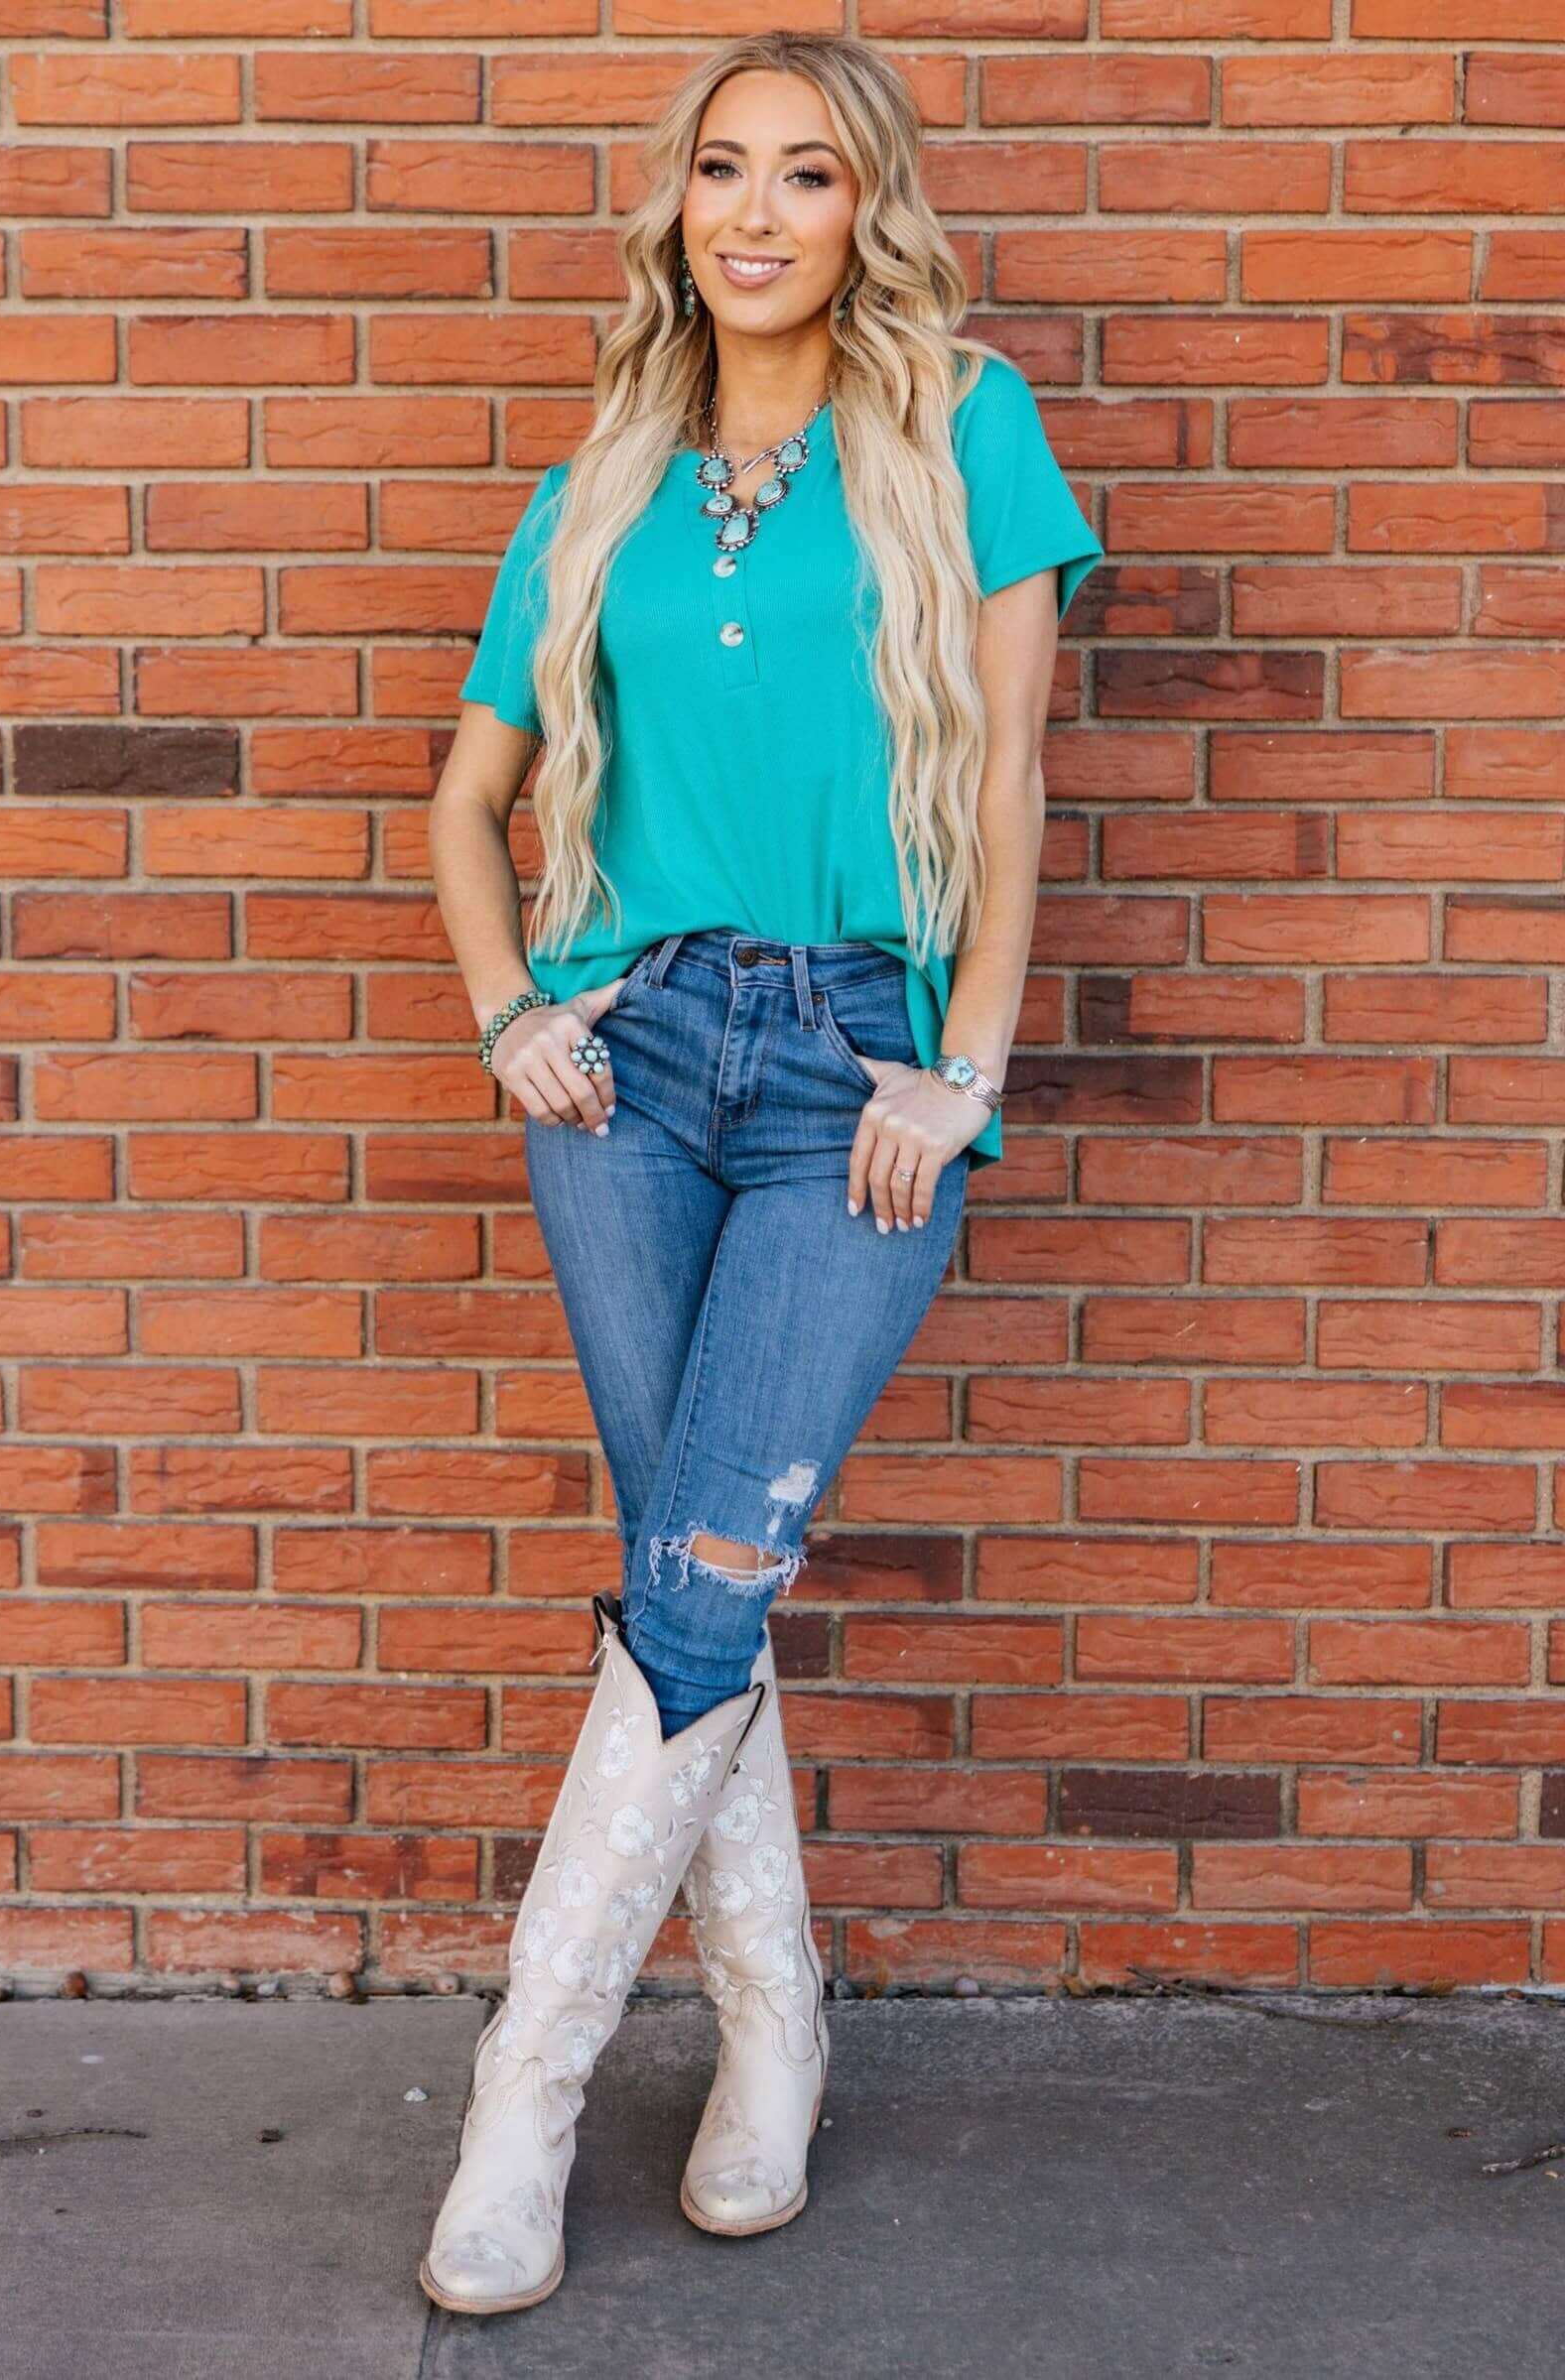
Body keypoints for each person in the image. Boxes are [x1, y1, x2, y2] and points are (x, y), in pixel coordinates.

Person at [417, 27, 1105, 2317]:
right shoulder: (600, 474)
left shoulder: (956, 425)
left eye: (807, 178)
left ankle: (524, 2084)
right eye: (721, 169)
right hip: (631, 1072)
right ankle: (772, 2039)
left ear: (861, 215)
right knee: (683, 1561)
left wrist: (963, 1067)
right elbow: (456, 799)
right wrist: (515, 1005)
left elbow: (1004, 775)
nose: (754, 213)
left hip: (846, 1073)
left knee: (708, 1561)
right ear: (676, 204)